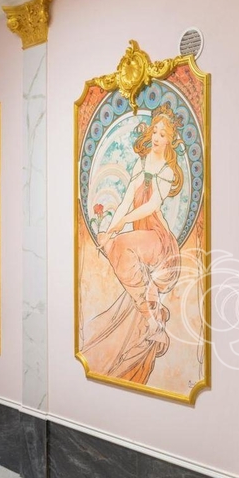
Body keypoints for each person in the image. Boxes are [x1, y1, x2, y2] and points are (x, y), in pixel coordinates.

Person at [81, 103, 185, 385]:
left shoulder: (167, 171)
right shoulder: (141, 164)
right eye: (155, 131)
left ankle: (152, 319)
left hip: (159, 240)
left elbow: (151, 206)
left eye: (163, 134)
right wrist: (110, 230)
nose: (157, 137)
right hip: (141, 238)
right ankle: (152, 319)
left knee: (121, 243)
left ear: (170, 140)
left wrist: (123, 223)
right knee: (111, 243)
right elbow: (127, 199)